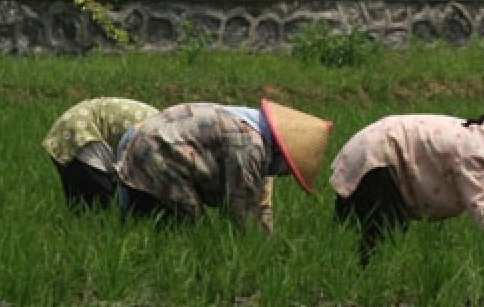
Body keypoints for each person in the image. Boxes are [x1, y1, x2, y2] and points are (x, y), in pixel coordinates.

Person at [331, 109, 484, 265]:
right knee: (383, 236)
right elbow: (483, 209)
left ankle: (351, 273)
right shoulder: (473, 153)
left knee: (362, 238)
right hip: (378, 156)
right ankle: (361, 281)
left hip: (377, 148)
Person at [116, 99, 333, 232]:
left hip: (150, 141)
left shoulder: (255, 128)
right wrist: (256, 251)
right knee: (193, 229)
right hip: (160, 148)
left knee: (163, 225)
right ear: (283, 154)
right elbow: (242, 207)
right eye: (287, 170)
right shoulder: (249, 144)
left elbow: (262, 201)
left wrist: (266, 235)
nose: (282, 174)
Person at [42, 97, 158, 209]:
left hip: (77, 126)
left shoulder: (165, 130)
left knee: (85, 209)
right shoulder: (161, 140)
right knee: (101, 209)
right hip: (82, 132)